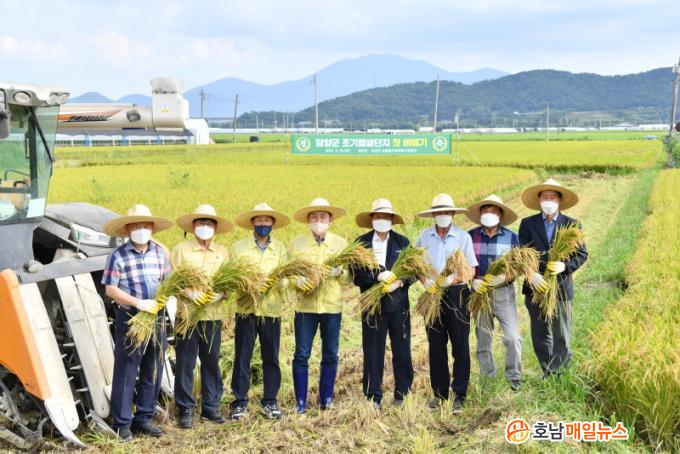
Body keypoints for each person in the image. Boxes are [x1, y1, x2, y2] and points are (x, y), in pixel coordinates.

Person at [102, 204, 173, 441]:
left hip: (156, 317)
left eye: (145, 225)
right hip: (131, 317)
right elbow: (111, 289)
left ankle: (144, 417)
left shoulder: (160, 253)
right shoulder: (118, 255)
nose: (141, 230)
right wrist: (138, 303)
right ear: (128, 229)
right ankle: (122, 423)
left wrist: (162, 299)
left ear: (152, 228)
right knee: (127, 370)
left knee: (153, 368)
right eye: (136, 226)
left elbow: (168, 283)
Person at [518, 179, 588, 377]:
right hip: (535, 287)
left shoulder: (572, 224)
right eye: (545, 197)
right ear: (539, 200)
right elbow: (521, 253)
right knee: (540, 333)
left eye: (552, 197)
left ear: (559, 201)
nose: (548, 201)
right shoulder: (527, 224)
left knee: (561, 333)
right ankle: (547, 370)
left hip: (561, 287)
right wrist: (532, 274)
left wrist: (565, 266)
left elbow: (582, 254)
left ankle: (559, 373)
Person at [171, 204, 232, 428]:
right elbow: (172, 281)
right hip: (187, 316)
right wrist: (188, 293)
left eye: (208, 223)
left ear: (215, 227)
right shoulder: (180, 250)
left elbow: (230, 283)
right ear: (193, 225)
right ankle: (185, 408)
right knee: (185, 363)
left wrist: (220, 294)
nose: (204, 226)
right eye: (200, 222)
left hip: (212, 316)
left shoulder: (223, 252)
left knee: (211, 361)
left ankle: (210, 407)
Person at [289, 198, 352, 414]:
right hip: (305, 309)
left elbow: (349, 278)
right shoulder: (296, 244)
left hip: (332, 308)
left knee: (331, 354)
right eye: (314, 217)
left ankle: (326, 399)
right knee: (301, 354)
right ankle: (300, 403)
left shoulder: (341, 244)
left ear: (330, 220)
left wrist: (340, 272)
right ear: (308, 220)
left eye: (323, 217)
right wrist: (296, 281)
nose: (319, 221)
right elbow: (288, 274)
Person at [416, 193, 477, 412]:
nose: (443, 215)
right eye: (439, 212)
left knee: (460, 345)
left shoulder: (463, 237)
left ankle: (459, 394)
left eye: (446, 212)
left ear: (452, 214)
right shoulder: (423, 237)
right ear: (433, 215)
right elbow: (416, 265)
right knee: (436, 346)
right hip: (432, 295)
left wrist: (453, 279)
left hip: (457, 295)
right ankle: (439, 394)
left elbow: (471, 270)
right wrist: (425, 282)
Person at [229, 203, 290, 420]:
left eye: (267, 220)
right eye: (259, 220)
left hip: (271, 310)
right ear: (252, 222)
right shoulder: (238, 248)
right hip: (246, 309)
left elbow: (287, 278)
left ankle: (270, 401)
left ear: (272, 223)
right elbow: (232, 278)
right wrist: (250, 285)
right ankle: (239, 402)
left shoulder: (281, 249)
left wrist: (277, 283)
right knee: (242, 356)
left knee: (271, 357)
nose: (263, 223)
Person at [353, 198, 414, 409]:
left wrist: (400, 282)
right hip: (372, 307)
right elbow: (356, 274)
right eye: (378, 216)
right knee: (372, 352)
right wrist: (376, 277)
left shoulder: (402, 242)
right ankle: (373, 397)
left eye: (386, 216)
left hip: (399, 306)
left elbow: (413, 271)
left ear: (391, 219)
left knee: (402, 351)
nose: (382, 219)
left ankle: (403, 394)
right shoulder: (361, 244)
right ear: (372, 218)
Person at [465, 194, 522, 390]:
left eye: (493, 211)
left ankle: (514, 377)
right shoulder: (469, 236)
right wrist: (472, 280)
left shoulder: (512, 237)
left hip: (503, 292)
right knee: (483, 338)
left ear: (500, 214)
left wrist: (504, 277)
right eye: (485, 211)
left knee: (513, 337)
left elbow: (519, 266)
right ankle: (488, 377)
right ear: (480, 214)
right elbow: (463, 265)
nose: (488, 214)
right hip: (479, 292)